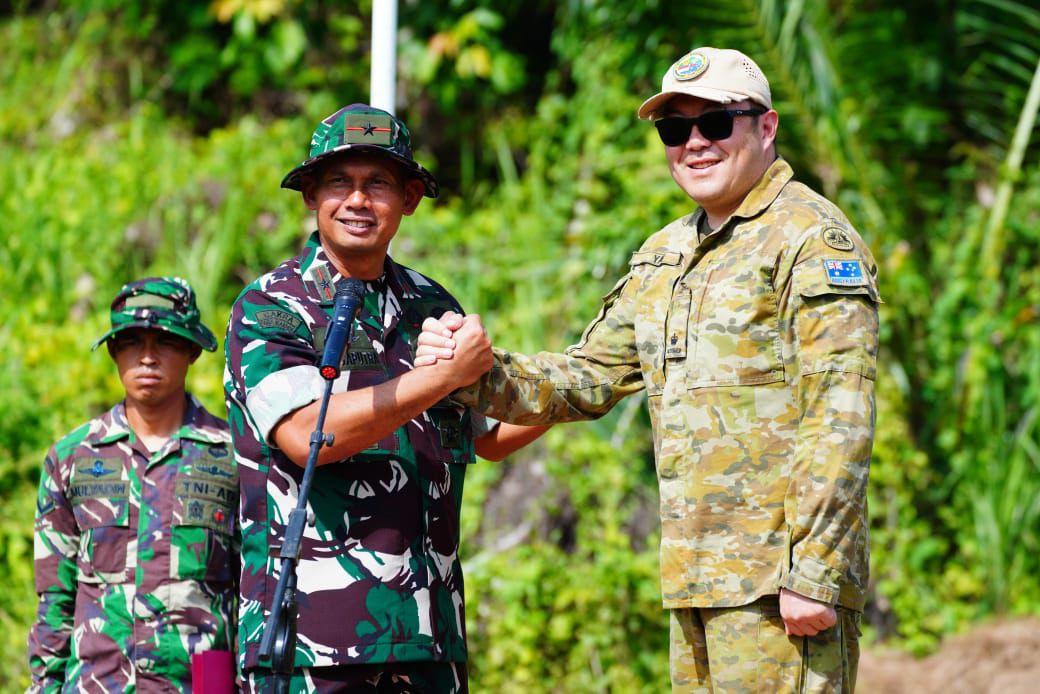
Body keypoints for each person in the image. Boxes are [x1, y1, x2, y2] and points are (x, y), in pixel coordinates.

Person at [417, 46, 880, 692]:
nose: (694, 143)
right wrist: (470, 370)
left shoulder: (809, 240)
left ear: (766, 127)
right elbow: (586, 377)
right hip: (693, 584)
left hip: (779, 590)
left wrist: (817, 574)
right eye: (675, 129)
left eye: (716, 123)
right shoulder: (666, 254)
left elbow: (841, 417)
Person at [223, 102, 545, 693]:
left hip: (429, 640)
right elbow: (306, 436)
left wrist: (596, 381)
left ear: (411, 198)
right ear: (310, 197)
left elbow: (487, 437)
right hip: (313, 645)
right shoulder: (272, 306)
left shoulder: (431, 304)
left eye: (379, 184)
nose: (357, 201)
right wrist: (441, 379)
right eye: (339, 183)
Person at [28, 277, 237, 693]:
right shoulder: (72, 458)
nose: (147, 358)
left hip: (196, 685)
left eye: (166, 341)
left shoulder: (233, 456)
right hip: (97, 685)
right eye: (130, 342)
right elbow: (55, 598)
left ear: (192, 350)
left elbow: (256, 593)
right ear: (113, 352)